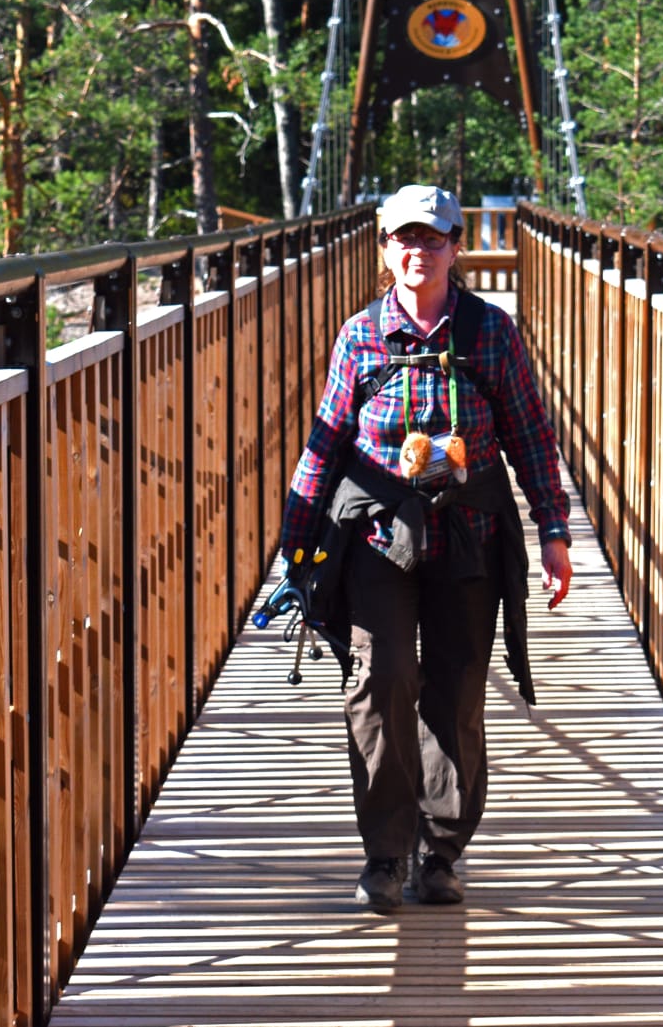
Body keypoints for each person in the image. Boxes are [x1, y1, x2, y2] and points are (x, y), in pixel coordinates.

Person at [277, 183, 574, 910]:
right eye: (404, 238)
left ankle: (440, 853)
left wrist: (555, 529)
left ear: (455, 247)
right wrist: (296, 542)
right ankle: (386, 851)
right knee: (379, 684)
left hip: (468, 532)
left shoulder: (490, 332)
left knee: (456, 691)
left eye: (433, 238)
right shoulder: (361, 335)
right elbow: (325, 442)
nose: (418, 251)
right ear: (384, 248)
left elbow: (530, 433)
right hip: (379, 537)